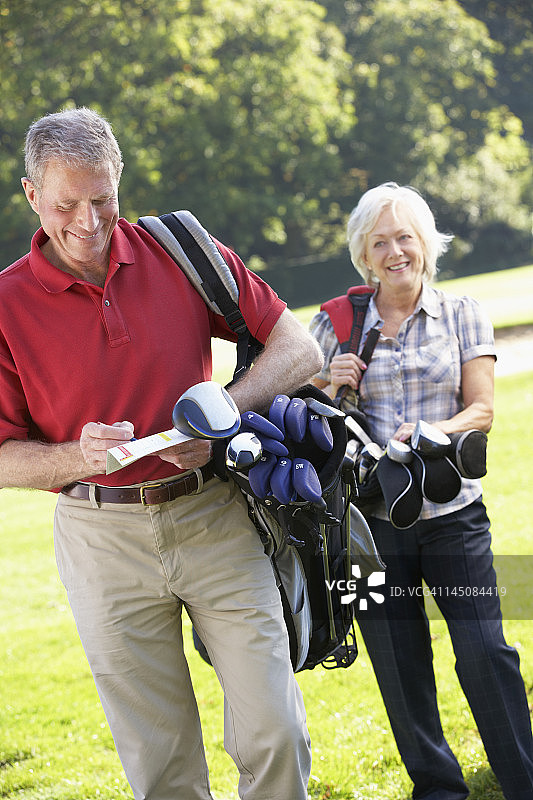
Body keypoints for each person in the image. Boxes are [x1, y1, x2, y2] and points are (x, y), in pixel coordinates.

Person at [0, 107, 324, 800]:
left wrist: (223, 413)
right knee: (161, 763)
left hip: (214, 518)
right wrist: (74, 458)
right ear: (31, 195)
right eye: (66, 205)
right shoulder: (6, 306)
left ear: (120, 182)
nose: (87, 223)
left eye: (103, 200)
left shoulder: (180, 250)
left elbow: (299, 349)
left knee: (275, 730)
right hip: (100, 539)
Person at [310, 182, 533, 800]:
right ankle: (439, 791)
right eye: (378, 242)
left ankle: (523, 781)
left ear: (426, 244)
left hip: (454, 516)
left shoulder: (463, 313)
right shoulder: (334, 324)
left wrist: (437, 430)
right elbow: (310, 430)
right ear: (363, 254)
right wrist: (330, 386)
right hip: (373, 531)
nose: (394, 251)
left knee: (486, 653)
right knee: (401, 667)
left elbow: (482, 411)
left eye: (404, 237)